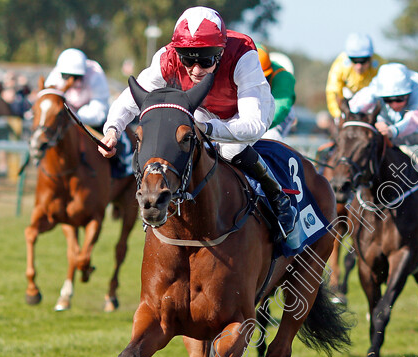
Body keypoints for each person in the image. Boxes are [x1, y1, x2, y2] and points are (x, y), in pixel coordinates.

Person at [100, 6, 295, 237]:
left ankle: (278, 198)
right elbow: (128, 100)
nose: (195, 69)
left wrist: (207, 129)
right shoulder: (166, 58)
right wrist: (112, 130)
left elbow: (253, 126)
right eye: (187, 60)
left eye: (205, 61)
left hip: (244, 114)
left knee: (231, 149)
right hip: (201, 111)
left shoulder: (243, 56)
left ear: (221, 52)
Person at [349, 62, 418, 203]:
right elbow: (356, 105)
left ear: (408, 92)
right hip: (392, 133)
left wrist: (393, 130)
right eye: (388, 100)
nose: (394, 105)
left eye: (399, 99)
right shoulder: (377, 86)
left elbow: (415, 120)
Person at [326, 33, 386, 121]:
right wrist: (337, 115)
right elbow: (333, 92)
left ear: (371, 58)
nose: (359, 66)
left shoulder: (380, 64)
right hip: (349, 96)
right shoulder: (340, 64)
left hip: (371, 97)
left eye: (363, 61)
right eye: (354, 60)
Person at [45, 48, 111, 128]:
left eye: (76, 77)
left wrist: (74, 117)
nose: (71, 81)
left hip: (93, 123)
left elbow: (99, 114)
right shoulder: (56, 74)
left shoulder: (95, 74)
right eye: (67, 76)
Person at [258, 45, 296, 141]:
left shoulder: (284, 77)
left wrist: (255, 128)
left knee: (271, 136)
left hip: (278, 116)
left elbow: (280, 108)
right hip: (257, 110)